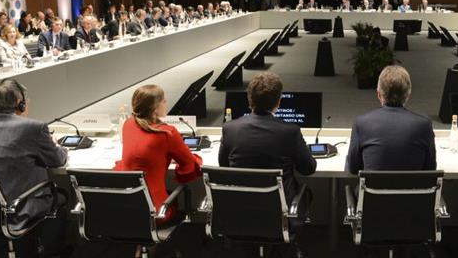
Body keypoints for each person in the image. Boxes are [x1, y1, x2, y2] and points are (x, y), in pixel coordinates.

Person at [0, 79, 70, 254]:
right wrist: (57, 146)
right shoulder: (34, 128)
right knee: (61, 195)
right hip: (20, 208)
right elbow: (57, 160)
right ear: (21, 103)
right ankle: (54, 250)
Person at [218, 72, 316, 205]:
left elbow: (223, 167)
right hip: (280, 208)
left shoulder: (230, 129)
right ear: (278, 101)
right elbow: (308, 169)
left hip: (240, 207)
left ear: (249, 98)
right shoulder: (290, 131)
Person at [114, 85, 202, 225]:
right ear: (155, 108)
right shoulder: (167, 132)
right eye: (164, 101)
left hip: (127, 206)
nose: (166, 103)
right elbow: (190, 165)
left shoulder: (128, 124)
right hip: (156, 211)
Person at [345, 65, 436, 174]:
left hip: (373, 185)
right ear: (408, 95)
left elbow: (353, 168)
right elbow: (430, 169)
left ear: (379, 94)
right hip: (412, 185)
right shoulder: (424, 125)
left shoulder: (361, 123)